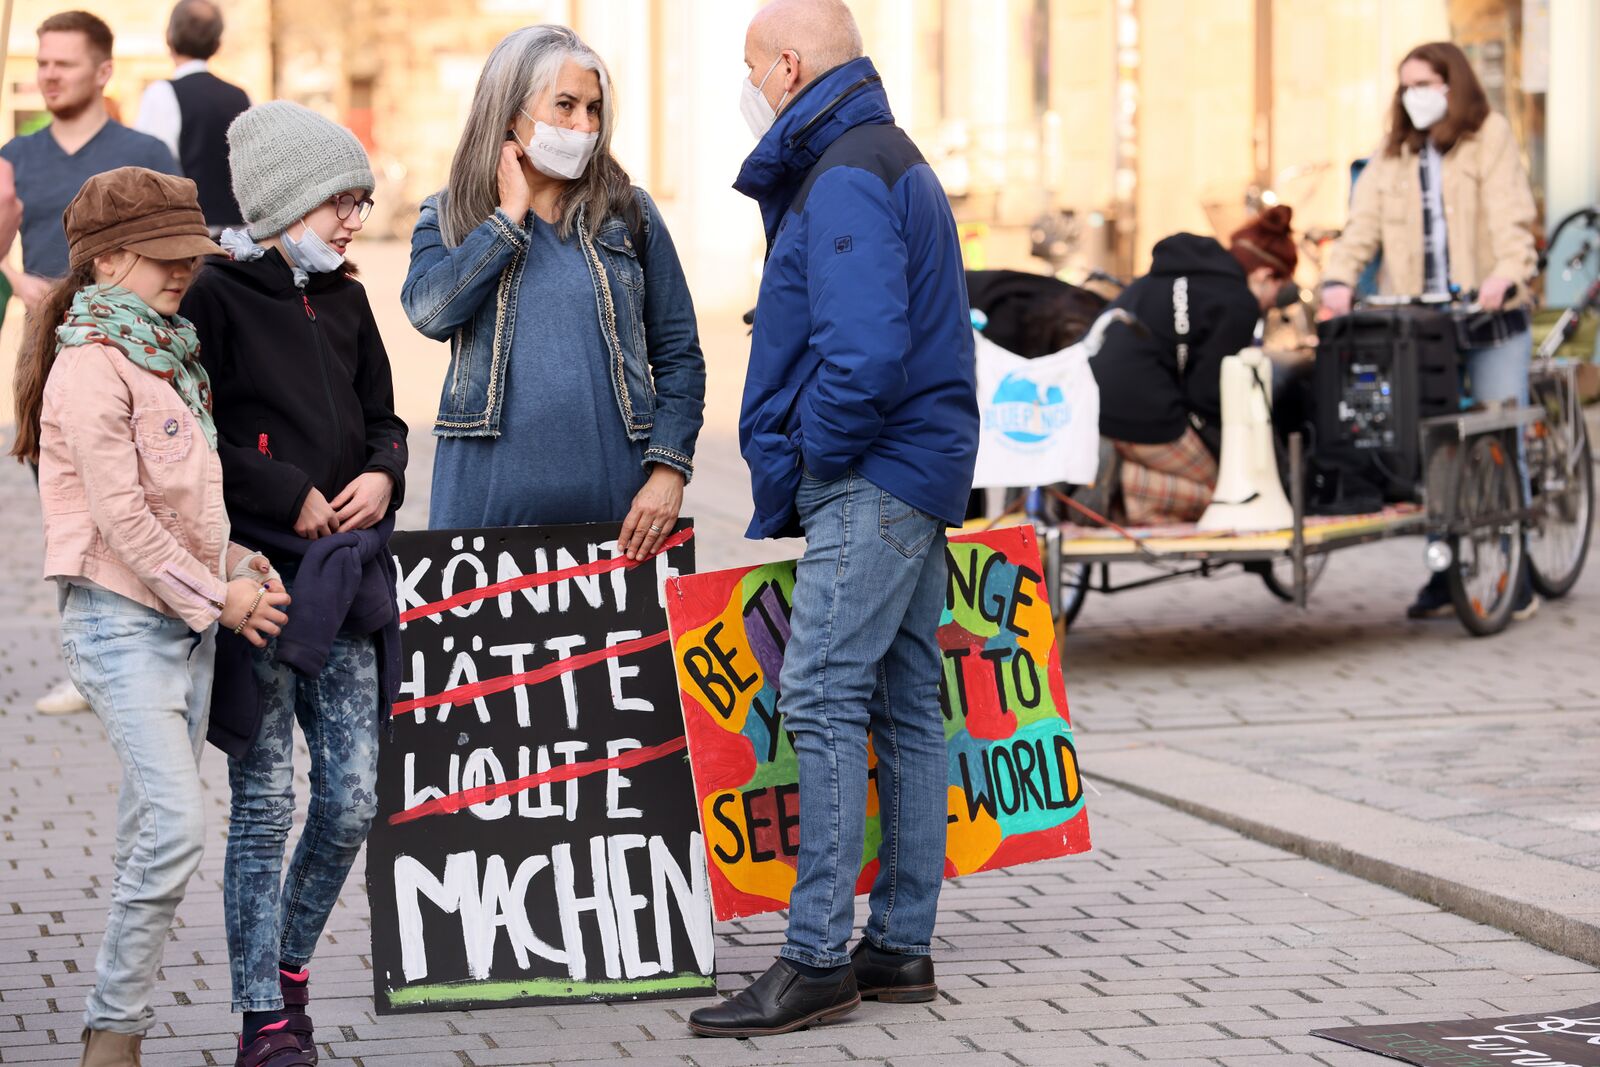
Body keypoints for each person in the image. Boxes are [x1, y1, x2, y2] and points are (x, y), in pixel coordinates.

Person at [687, 0, 978, 1039]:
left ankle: (815, 956)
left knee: (817, 690)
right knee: (903, 703)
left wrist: (815, 450)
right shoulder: (881, 153)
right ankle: (897, 945)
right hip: (915, 469)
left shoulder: (847, 169)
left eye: (752, 67)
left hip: (875, 474)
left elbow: (865, 353)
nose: (749, 88)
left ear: (789, 64)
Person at [12, 166, 288, 1067]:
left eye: (189, 253)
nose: (183, 270)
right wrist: (221, 597)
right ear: (107, 259)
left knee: (148, 835)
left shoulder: (168, 352)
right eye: (163, 254)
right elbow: (124, 518)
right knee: (174, 830)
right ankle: (113, 1036)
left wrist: (236, 562)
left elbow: (186, 507)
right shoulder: (91, 366)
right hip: (120, 625)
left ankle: (112, 1030)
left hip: (185, 629)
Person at [179, 101, 406, 1067]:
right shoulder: (213, 297)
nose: (354, 219)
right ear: (282, 201)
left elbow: (386, 419)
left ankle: (289, 965)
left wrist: (383, 473)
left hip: (347, 583)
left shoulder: (348, 297)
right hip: (260, 586)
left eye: (360, 201)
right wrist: (287, 490)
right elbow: (191, 440)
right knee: (266, 801)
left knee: (351, 798)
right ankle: (262, 1018)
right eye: (339, 201)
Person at [401, 25, 704, 554]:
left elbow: (679, 354)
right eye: (565, 105)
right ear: (509, 111)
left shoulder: (629, 213)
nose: (584, 125)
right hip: (483, 509)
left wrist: (669, 469)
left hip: (620, 513)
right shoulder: (450, 214)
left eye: (594, 109)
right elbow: (430, 313)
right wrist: (506, 221)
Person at [1, 9, 180, 716]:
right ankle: (88, 665)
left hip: (134, 356)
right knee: (68, 513)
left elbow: (178, 246)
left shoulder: (145, 151)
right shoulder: (16, 154)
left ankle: (150, 652)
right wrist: (17, 278)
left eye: (63, 64)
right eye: (41, 63)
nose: (48, 75)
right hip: (48, 358)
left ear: (104, 71)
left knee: (141, 502)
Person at [1321, 41, 1539, 619]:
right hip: (1422, 326)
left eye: (1424, 84)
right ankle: (1446, 571)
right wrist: (1337, 282)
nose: (1413, 96)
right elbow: (1360, 228)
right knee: (1429, 445)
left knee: (1500, 433)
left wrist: (1506, 274)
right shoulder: (1392, 154)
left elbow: (1512, 217)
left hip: (1489, 316)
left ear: (1452, 84)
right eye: (1406, 87)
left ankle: (1515, 571)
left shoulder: (1488, 137)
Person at [1090, 206, 1298, 524]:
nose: (1272, 304)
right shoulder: (1238, 301)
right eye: (1278, 292)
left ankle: (1108, 483)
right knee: (1233, 492)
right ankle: (1124, 487)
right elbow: (1207, 394)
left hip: (1088, 401)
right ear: (1265, 275)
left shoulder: (1161, 277)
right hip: (1143, 413)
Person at [135, 0, 251, 233]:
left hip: (187, 234)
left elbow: (149, 172)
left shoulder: (161, 93)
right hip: (240, 236)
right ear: (217, 44)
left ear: (169, 38)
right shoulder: (241, 96)